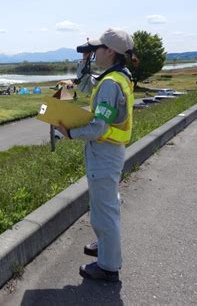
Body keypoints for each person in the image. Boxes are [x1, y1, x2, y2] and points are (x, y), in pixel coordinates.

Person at [54, 28, 138, 282]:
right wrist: (83, 64)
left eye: (96, 49)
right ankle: (105, 245)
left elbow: (98, 127)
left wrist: (69, 132)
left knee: (104, 209)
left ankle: (108, 266)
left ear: (110, 51)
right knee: (107, 203)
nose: (92, 53)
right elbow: (91, 87)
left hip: (104, 151)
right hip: (110, 150)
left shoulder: (111, 84)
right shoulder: (118, 76)